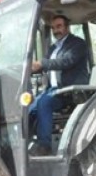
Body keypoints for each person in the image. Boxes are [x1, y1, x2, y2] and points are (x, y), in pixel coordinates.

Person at [28, 15, 89, 155]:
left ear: (67, 27)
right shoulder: (53, 48)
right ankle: (26, 143)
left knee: (44, 102)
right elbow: (46, 65)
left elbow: (66, 61)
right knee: (30, 106)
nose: (56, 30)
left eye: (59, 26)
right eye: (54, 28)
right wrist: (29, 68)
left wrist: (42, 63)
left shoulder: (77, 44)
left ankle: (45, 146)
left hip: (69, 90)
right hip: (53, 90)